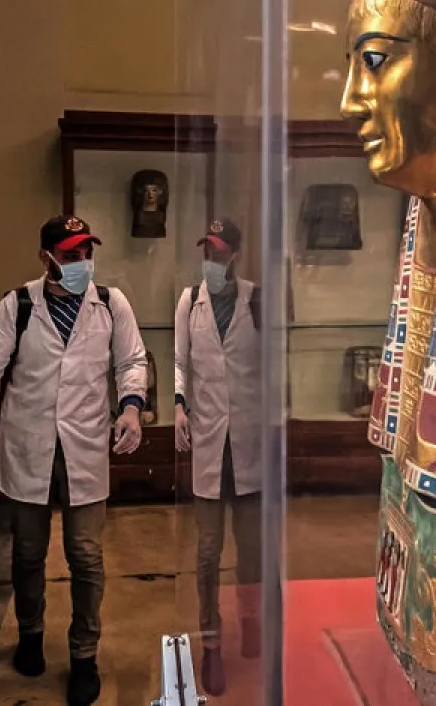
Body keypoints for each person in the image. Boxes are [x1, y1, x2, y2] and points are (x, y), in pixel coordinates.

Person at [0, 215, 147, 706]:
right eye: (69, 255)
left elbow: (131, 361)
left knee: (86, 556)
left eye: (86, 253)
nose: (81, 262)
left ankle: (84, 655)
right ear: (46, 258)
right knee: (27, 552)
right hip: (28, 447)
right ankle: (30, 632)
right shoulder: (17, 306)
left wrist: (131, 407)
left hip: (85, 447)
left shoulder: (111, 304)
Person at [173, 218, 261, 695]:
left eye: (221, 253)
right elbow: (180, 361)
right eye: (208, 252)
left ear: (235, 256)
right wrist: (178, 405)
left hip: (249, 444)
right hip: (208, 442)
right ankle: (211, 644)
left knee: (251, 551)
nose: (212, 260)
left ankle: (252, 619)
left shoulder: (257, 301)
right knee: (208, 554)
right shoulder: (190, 301)